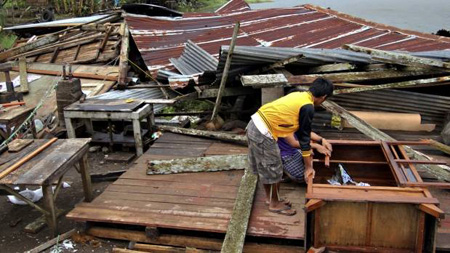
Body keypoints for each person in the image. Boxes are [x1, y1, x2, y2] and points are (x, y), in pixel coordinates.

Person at [246, 78, 334, 216]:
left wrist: (320, 140)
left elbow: (302, 131)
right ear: (323, 97)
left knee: (268, 168)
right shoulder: (307, 106)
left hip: (256, 124)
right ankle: (274, 204)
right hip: (262, 131)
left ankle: (272, 199)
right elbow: (304, 140)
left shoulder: (299, 95)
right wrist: (309, 167)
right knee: (274, 169)